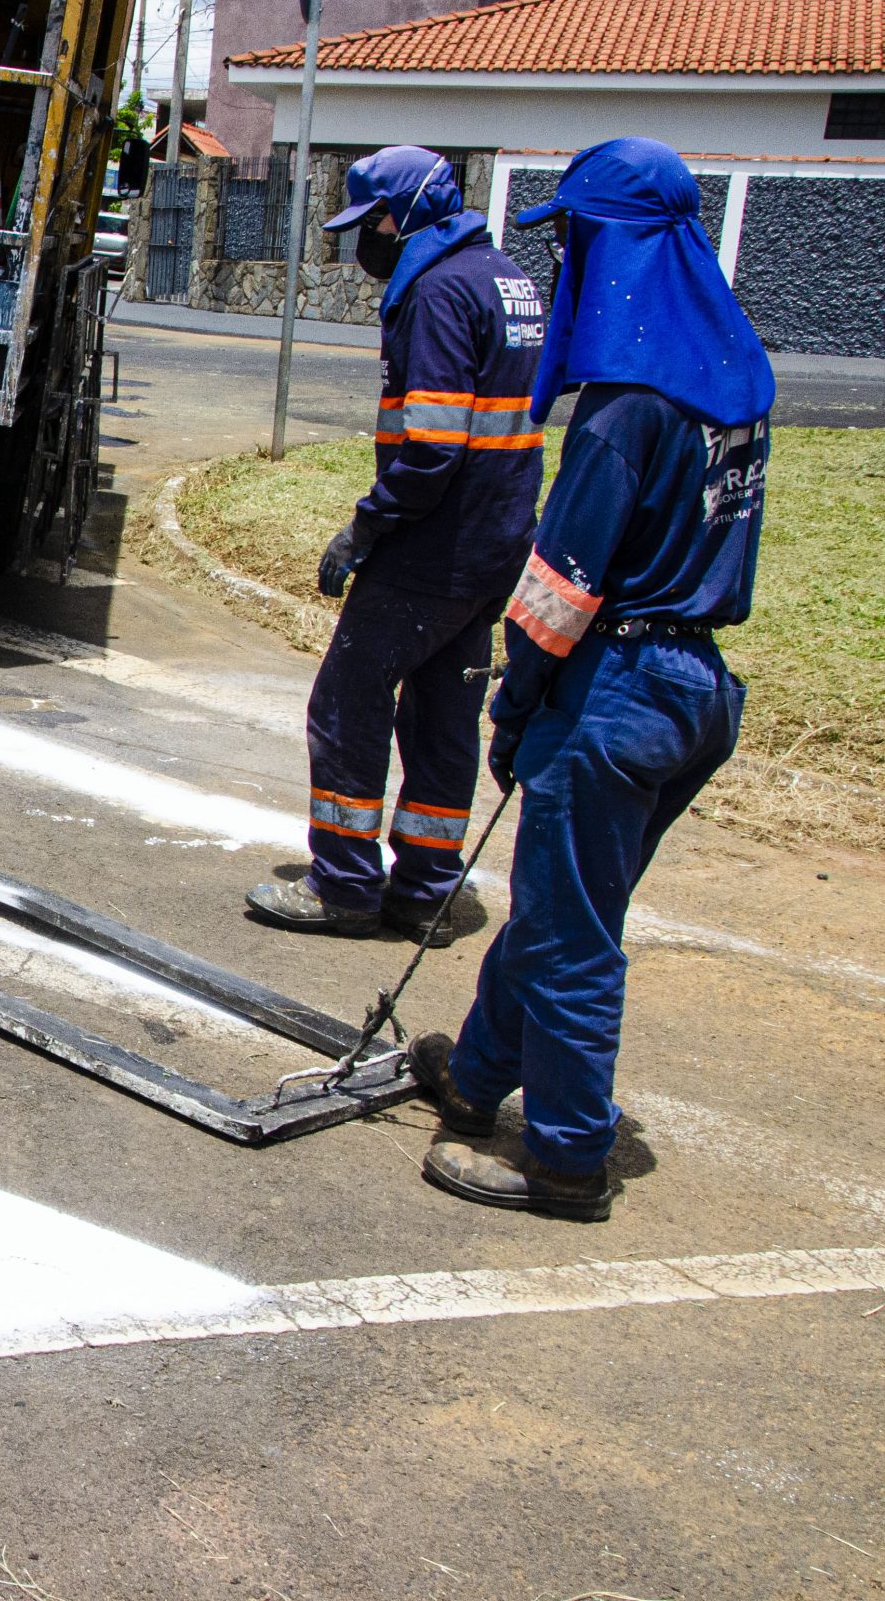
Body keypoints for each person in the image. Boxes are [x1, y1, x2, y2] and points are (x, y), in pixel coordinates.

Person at [406, 138, 771, 1222]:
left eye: (572, 238)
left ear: (609, 247)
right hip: (694, 688)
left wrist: (513, 712)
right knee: (568, 904)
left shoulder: (622, 410)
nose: (564, 258)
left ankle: (565, 1158)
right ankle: (475, 1080)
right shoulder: (732, 377)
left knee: (570, 936)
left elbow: (558, 592)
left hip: (613, 690)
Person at [247, 146, 546, 944]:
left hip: (432, 548)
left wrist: (366, 525)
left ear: (408, 213)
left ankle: (343, 882)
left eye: (371, 223)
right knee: (445, 716)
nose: (365, 243)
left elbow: (433, 445)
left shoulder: (440, 292)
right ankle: (426, 892)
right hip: (495, 546)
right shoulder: (506, 277)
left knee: (348, 701)